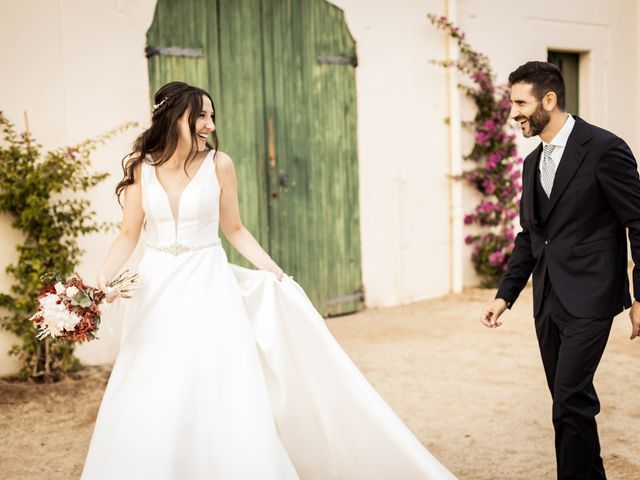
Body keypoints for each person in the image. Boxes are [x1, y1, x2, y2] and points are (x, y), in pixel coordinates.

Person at [81, 81, 456, 480]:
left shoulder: (219, 164)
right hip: (155, 288)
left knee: (216, 378)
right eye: (201, 115)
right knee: (153, 380)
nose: (210, 123)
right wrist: (102, 275)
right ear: (175, 117)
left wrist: (274, 272)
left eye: (211, 115)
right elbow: (129, 234)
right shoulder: (143, 167)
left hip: (207, 285)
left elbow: (235, 228)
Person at [481, 61, 640, 479]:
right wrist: (505, 295)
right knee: (567, 403)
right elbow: (529, 237)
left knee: (570, 398)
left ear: (548, 100)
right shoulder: (532, 164)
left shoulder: (605, 148)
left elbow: (638, 222)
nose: (513, 112)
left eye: (520, 102)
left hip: (591, 296)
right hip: (547, 300)